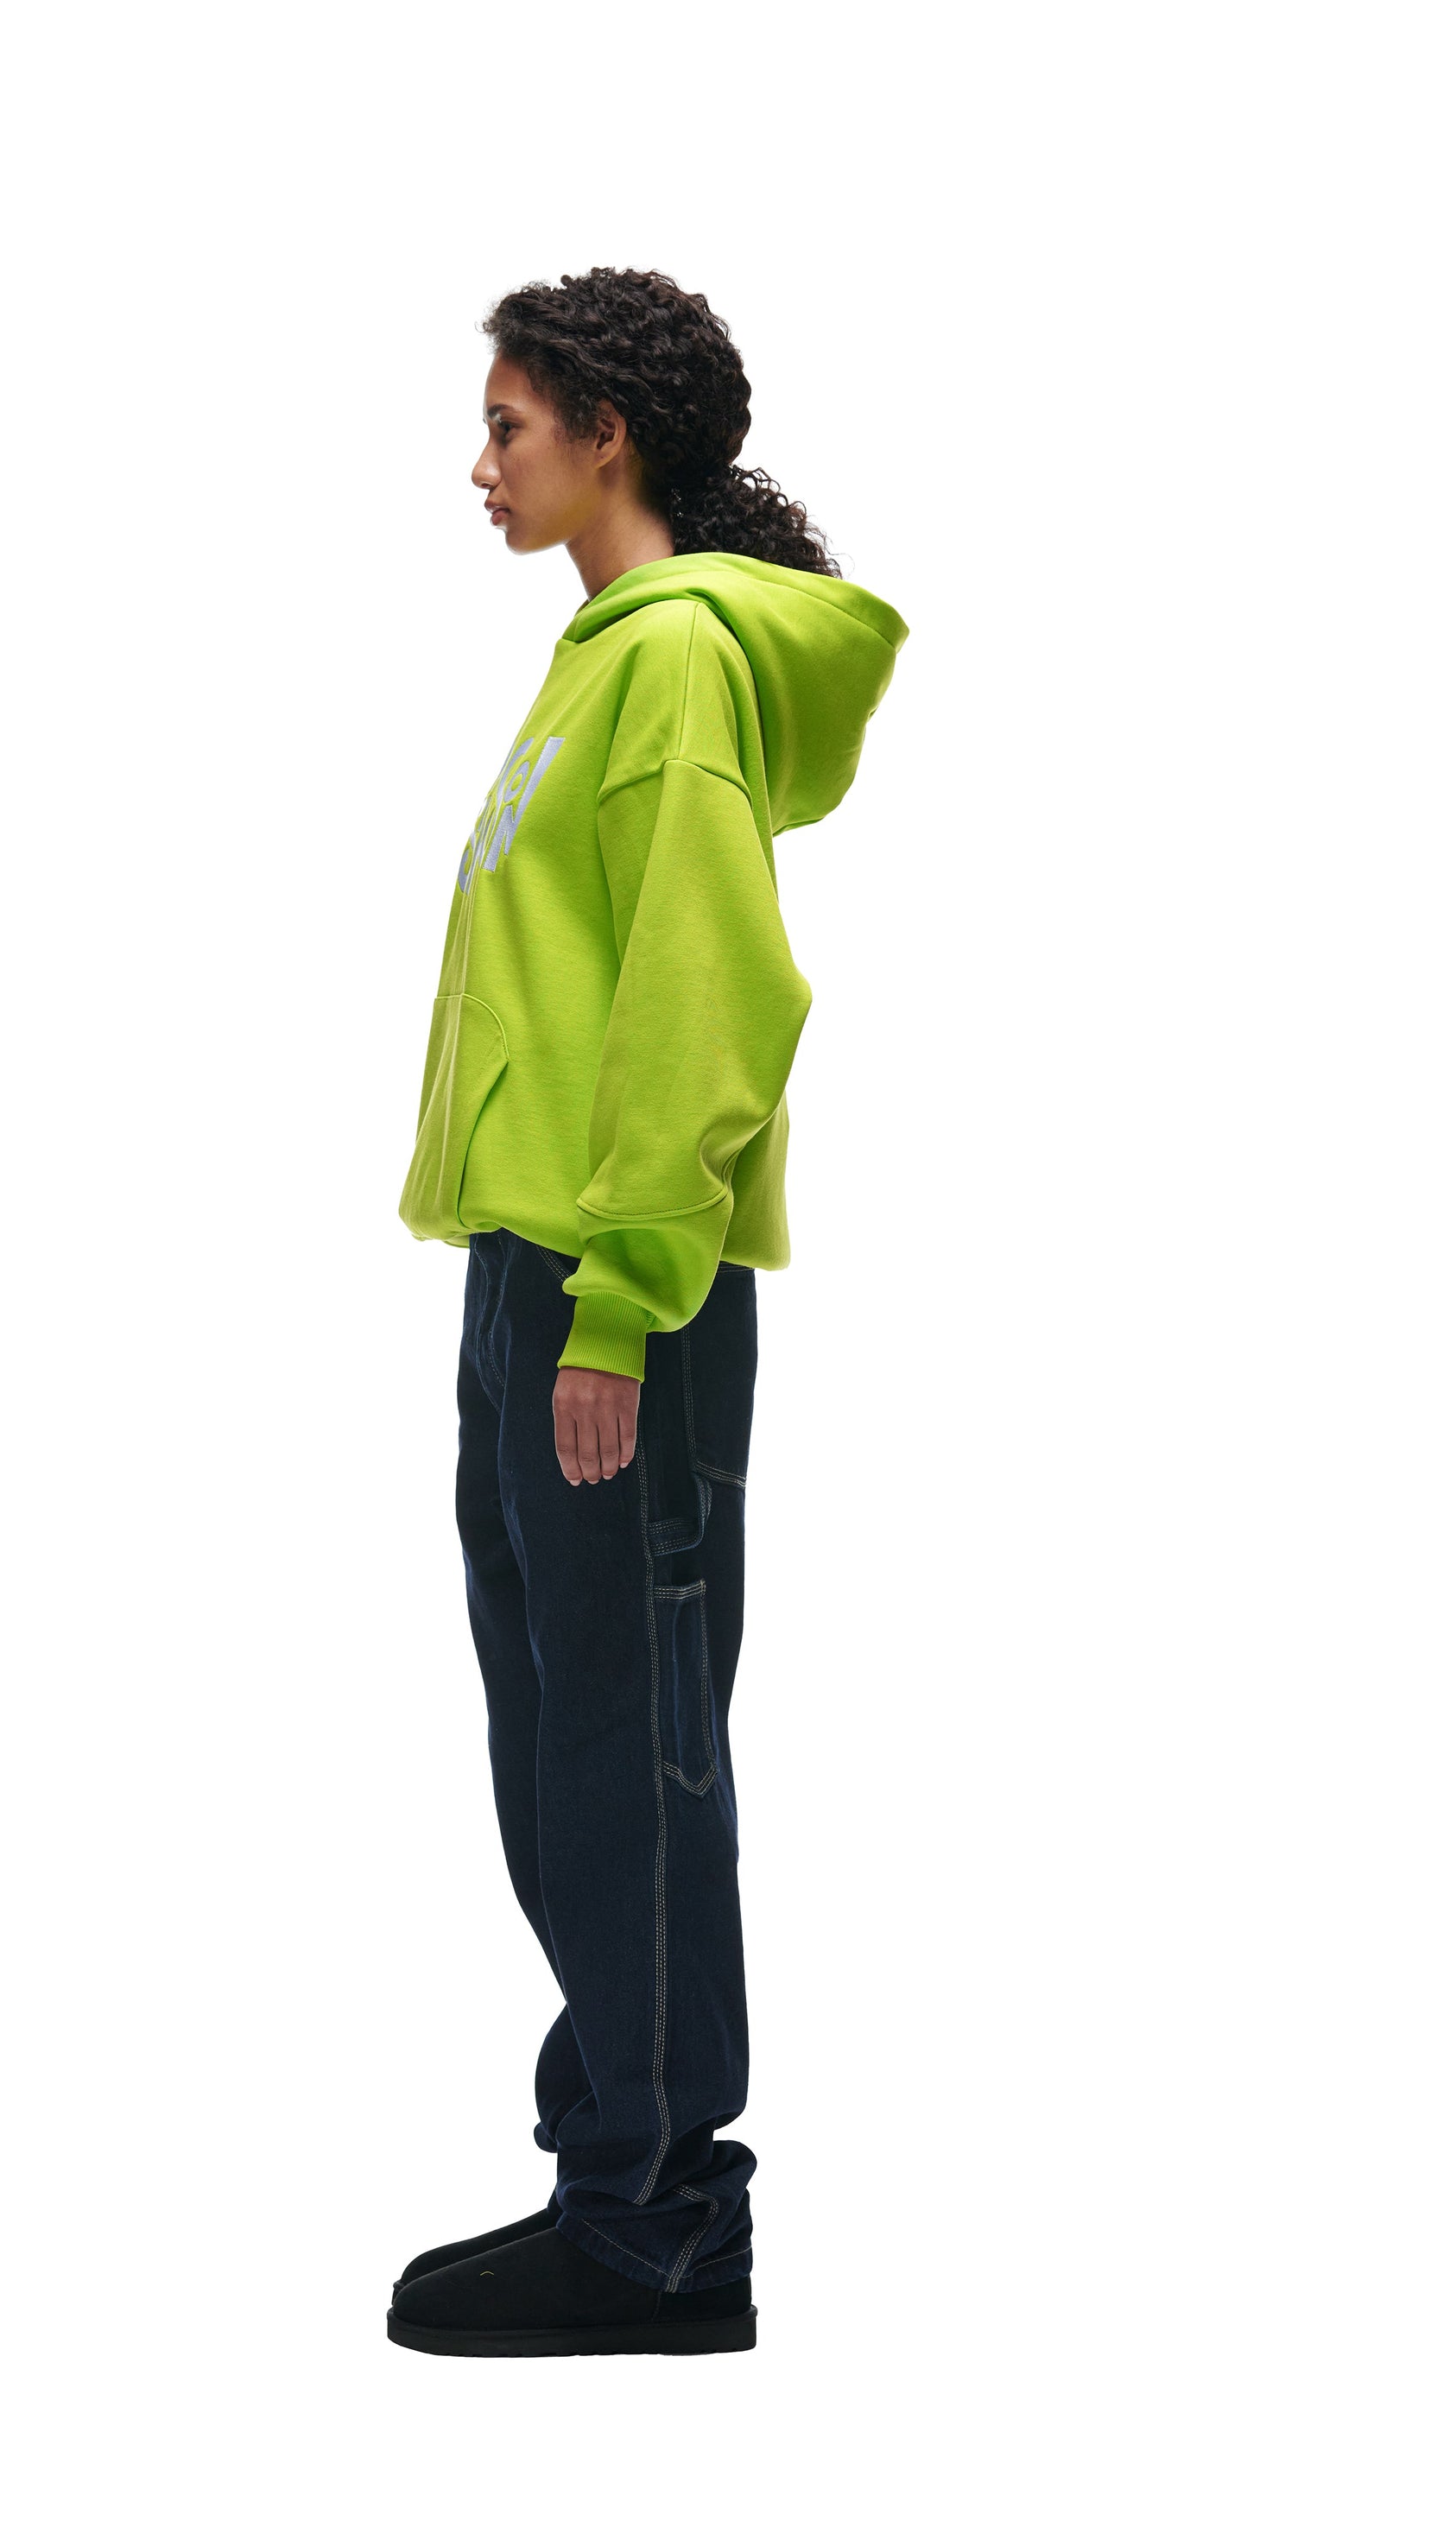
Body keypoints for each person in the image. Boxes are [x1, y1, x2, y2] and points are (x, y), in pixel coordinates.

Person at [386, 269, 906, 2358]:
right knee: (562, 1727)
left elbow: (707, 999)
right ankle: (612, 2149)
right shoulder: (596, 662)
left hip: (620, 1288)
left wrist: (616, 1308)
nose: (479, 463)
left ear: (608, 434)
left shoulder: (674, 659)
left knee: (629, 1733)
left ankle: (661, 2223)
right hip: (539, 1262)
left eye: (509, 423)